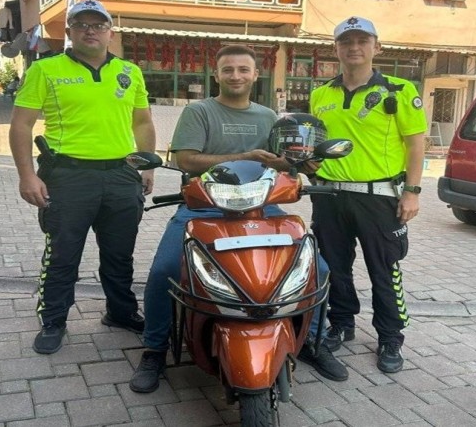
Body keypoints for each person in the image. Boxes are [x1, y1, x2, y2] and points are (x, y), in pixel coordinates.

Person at [129, 45, 348, 394]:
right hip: (205, 206)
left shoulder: (269, 116)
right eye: (228, 69)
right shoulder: (199, 111)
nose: (236, 76)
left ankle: (312, 339)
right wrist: (245, 155)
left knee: (316, 269)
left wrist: (301, 163)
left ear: (255, 75)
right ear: (216, 74)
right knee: (165, 270)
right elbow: (186, 160)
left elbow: (280, 162)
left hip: (262, 207)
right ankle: (154, 349)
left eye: (243, 69)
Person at [9, 0, 157, 355]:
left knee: (120, 255)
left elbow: (142, 122)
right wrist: (27, 176)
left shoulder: (130, 72)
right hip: (67, 177)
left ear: (110, 32)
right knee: (63, 255)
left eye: (98, 24)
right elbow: (21, 125)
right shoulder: (46, 70)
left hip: (122, 176)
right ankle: (53, 320)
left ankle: (120, 313)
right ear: (69, 31)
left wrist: (147, 165)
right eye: (82, 24)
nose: (91, 31)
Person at [309, 16, 427, 373]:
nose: (354, 48)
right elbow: (315, 144)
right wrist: (309, 165)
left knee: (384, 269)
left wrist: (412, 192)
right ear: (336, 49)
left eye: (362, 41)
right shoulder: (321, 94)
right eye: (346, 42)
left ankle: (390, 337)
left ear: (377, 46)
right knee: (334, 267)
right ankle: (342, 323)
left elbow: (416, 144)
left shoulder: (399, 90)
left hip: (379, 198)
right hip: (329, 197)